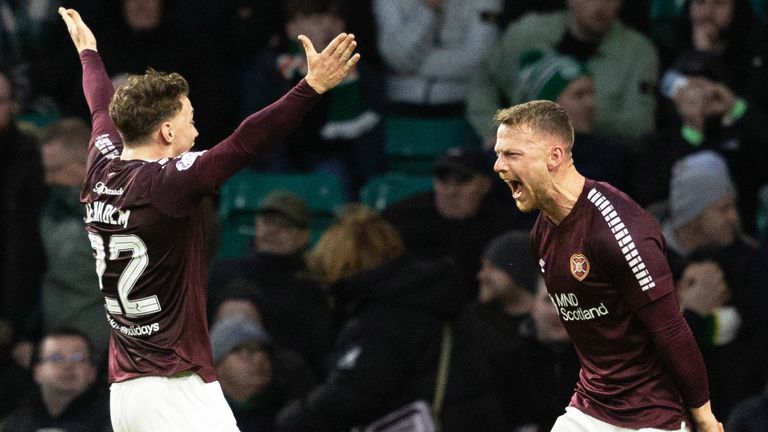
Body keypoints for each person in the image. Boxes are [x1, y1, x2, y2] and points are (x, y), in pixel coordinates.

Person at [59, 6, 358, 431]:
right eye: (190, 121)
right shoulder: (166, 184)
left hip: (125, 390)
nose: (196, 133)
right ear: (165, 132)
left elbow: (100, 107)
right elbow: (245, 143)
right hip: (174, 386)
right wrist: (310, 88)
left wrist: (89, 53)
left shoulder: (101, 163)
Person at [492, 99, 722, 431]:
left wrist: (702, 416)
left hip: (654, 417)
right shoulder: (541, 233)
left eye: (512, 155)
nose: (498, 166)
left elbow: (671, 330)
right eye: (499, 154)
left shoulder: (615, 229)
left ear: (554, 157)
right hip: (590, 409)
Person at [276, 205, 504, 432]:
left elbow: (352, 394)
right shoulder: (428, 295)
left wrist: (295, 417)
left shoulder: (383, 319)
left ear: (343, 265)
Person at [466, 0, 658, 149]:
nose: (600, 6)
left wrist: (575, 117)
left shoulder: (638, 51)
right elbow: (483, 79)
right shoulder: (528, 33)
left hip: (597, 159)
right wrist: (495, 128)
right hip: (523, 154)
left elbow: (641, 125)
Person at [208, 190, 334, 374]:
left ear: (304, 235)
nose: (273, 230)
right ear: (256, 225)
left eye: (285, 226)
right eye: (267, 222)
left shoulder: (313, 286)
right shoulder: (223, 272)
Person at [383, 146, 532, 300]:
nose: (451, 191)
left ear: (485, 185)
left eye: (463, 181)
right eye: (443, 181)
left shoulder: (505, 225)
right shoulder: (403, 217)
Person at [38, 118, 110, 367]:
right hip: (57, 341)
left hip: (105, 350)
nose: (48, 179)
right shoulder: (49, 209)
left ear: (85, 164)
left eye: (55, 169)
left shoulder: (123, 210)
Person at [210, 315, 316, 432]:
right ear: (217, 366)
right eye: (246, 352)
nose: (259, 359)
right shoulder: (202, 415)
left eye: (263, 350)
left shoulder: (293, 414)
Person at [1, 326, 111, 432]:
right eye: (56, 358)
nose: (67, 365)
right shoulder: (14, 424)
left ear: (92, 372)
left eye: (78, 357)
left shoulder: (117, 419)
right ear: (37, 372)